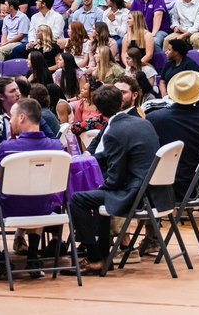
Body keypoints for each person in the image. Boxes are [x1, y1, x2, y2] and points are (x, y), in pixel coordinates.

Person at [0, 97, 66, 270]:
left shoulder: (7, 147)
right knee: (37, 194)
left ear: (22, 118)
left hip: (8, 206)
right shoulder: (57, 147)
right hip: (44, 206)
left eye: (13, 116)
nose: (11, 120)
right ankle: (32, 255)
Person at [69, 84, 169, 274]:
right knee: (99, 195)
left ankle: (94, 258)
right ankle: (103, 253)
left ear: (98, 110)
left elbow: (114, 180)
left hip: (135, 193)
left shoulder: (114, 131)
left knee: (78, 199)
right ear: (121, 102)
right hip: (154, 191)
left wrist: (102, 185)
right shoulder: (143, 122)